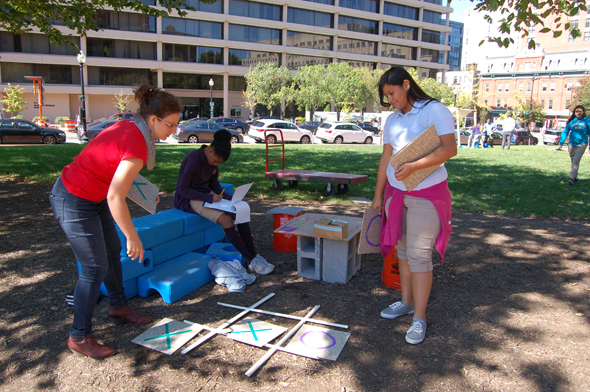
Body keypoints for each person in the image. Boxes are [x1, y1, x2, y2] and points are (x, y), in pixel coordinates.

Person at [49, 86, 182, 359]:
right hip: (73, 199)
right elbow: (115, 196)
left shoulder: (130, 127)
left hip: (91, 196)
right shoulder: (136, 142)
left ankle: (118, 307)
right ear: (154, 119)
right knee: (94, 267)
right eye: (171, 124)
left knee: (111, 253)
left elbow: (112, 164)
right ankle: (79, 336)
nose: (174, 131)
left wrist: (146, 196)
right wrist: (132, 236)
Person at [372, 66, 456, 345]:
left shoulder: (434, 110)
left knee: (420, 255)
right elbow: (386, 159)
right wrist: (378, 196)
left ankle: (419, 317)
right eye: (386, 97)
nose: (390, 100)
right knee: (404, 251)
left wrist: (415, 166)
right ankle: (406, 303)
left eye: (392, 93)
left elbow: (449, 148)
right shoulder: (393, 120)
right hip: (397, 194)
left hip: (427, 194)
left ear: (406, 85)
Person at [174, 129, 275, 276]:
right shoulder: (192, 160)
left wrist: (231, 198)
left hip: (207, 197)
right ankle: (249, 259)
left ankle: (254, 256)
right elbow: (183, 189)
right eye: (215, 161)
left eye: (218, 164)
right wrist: (209, 198)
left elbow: (215, 186)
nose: (215, 165)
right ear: (211, 150)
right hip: (191, 199)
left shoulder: (213, 163)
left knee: (240, 210)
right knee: (226, 219)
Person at [557, 105, 590, 185]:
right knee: (573, 161)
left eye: (580, 111)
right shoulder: (572, 121)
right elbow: (565, 132)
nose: (578, 113)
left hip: (582, 144)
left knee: (576, 161)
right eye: (576, 111)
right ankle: (575, 177)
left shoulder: (587, 121)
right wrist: (561, 143)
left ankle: (572, 178)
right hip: (571, 144)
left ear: (583, 112)